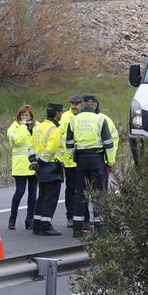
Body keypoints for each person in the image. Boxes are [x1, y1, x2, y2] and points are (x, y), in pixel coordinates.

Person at [65, 95, 114, 238]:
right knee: (98, 193)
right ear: (95, 105)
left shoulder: (74, 120)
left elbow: (69, 144)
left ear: (82, 105)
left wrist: (73, 157)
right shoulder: (100, 120)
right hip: (96, 159)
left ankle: (77, 229)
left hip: (81, 159)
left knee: (80, 193)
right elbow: (108, 144)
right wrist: (110, 162)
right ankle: (100, 228)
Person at [30, 103, 65, 236]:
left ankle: (37, 224)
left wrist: (35, 161)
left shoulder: (38, 127)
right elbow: (51, 149)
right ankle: (46, 225)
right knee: (51, 197)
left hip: (40, 167)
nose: (61, 114)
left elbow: (31, 146)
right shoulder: (54, 129)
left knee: (42, 196)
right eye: (61, 112)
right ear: (57, 113)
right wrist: (41, 163)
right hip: (51, 167)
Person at [7, 104, 37, 230]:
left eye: (27, 115)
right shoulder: (13, 128)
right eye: (22, 115)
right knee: (20, 192)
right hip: (20, 165)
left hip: (33, 164)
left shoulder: (36, 126)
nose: (24, 117)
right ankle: (12, 218)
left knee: (33, 193)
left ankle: (30, 219)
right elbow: (17, 141)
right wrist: (24, 127)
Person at [58, 95, 84, 231]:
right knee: (71, 189)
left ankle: (83, 218)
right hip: (69, 160)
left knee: (83, 189)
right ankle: (70, 216)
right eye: (73, 104)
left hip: (82, 159)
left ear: (82, 104)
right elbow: (60, 136)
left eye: (77, 104)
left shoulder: (85, 117)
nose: (74, 106)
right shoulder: (65, 117)